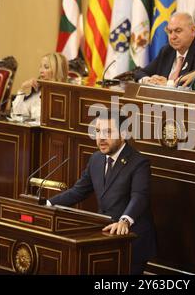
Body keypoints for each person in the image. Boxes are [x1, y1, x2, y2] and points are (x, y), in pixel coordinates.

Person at [48, 111, 157, 275]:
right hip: (105, 237)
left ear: (123, 135)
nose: (101, 138)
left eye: (108, 132)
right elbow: (78, 191)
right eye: (98, 131)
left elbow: (139, 196)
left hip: (132, 239)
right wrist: (47, 204)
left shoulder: (139, 162)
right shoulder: (96, 159)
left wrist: (124, 221)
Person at [134, 12, 195, 86]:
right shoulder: (167, 50)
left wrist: (168, 84)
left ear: (193, 31)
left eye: (178, 31)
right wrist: (148, 80)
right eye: (170, 32)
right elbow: (141, 73)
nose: (172, 37)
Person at [11, 52, 68, 121]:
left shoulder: (65, 96)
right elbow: (18, 113)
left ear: (57, 71)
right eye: (40, 67)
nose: (41, 71)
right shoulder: (39, 92)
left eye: (46, 67)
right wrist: (22, 88)